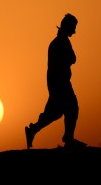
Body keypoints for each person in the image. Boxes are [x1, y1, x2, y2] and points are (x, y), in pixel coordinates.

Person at [25, 13, 88, 149]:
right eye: (73, 27)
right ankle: (68, 138)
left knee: (55, 112)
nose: (74, 31)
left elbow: (71, 59)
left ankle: (33, 130)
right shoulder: (60, 43)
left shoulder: (61, 42)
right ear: (68, 26)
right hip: (60, 83)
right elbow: (71, 59)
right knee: (70, 108)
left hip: (59, 82)